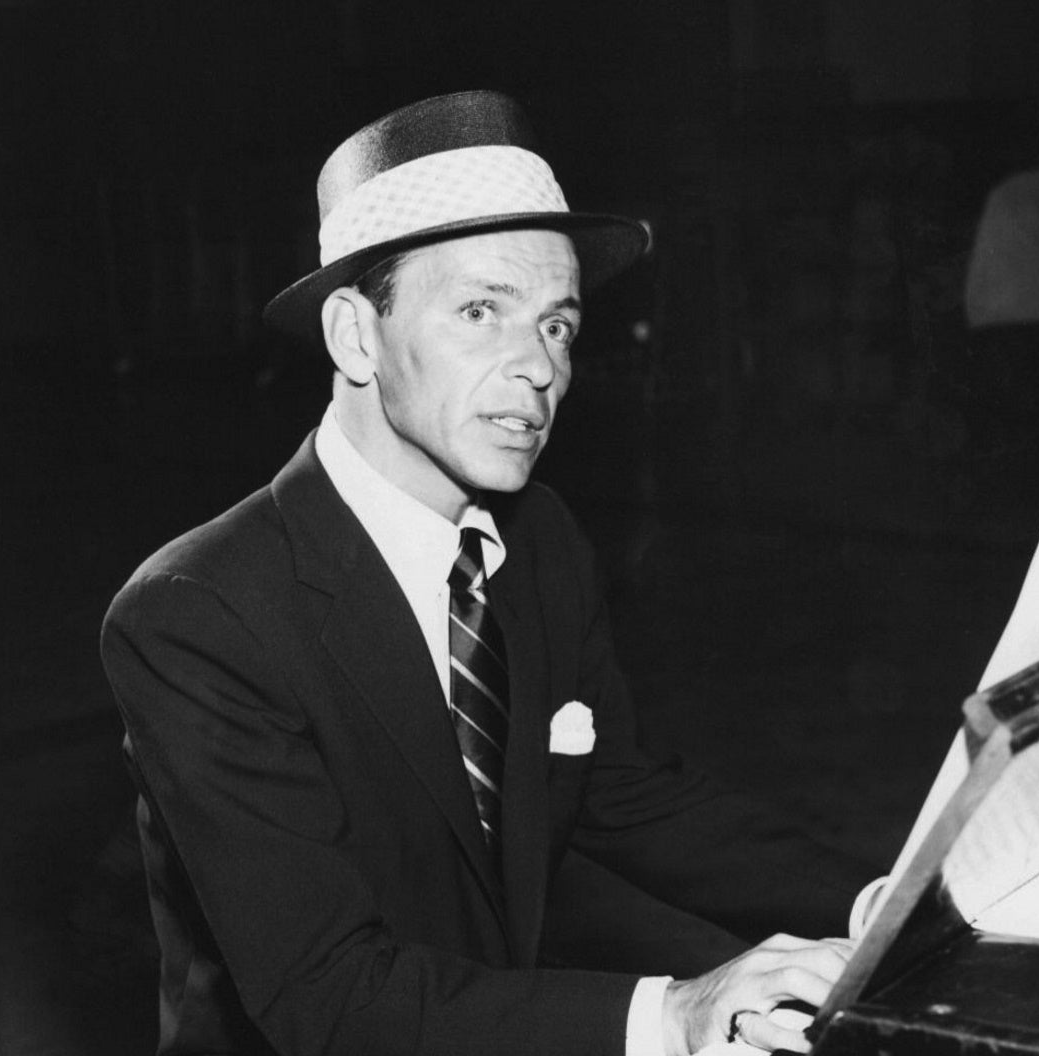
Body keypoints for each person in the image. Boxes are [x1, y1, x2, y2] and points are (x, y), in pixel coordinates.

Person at [102, 91, 877, 1056]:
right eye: (481, 309)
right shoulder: (199, 614)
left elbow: (618, 792)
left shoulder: (537, 539)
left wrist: (876, 902)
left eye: (558, 324)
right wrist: (671, 1014)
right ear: (355, 336)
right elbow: (328, 996)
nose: (538, 367)